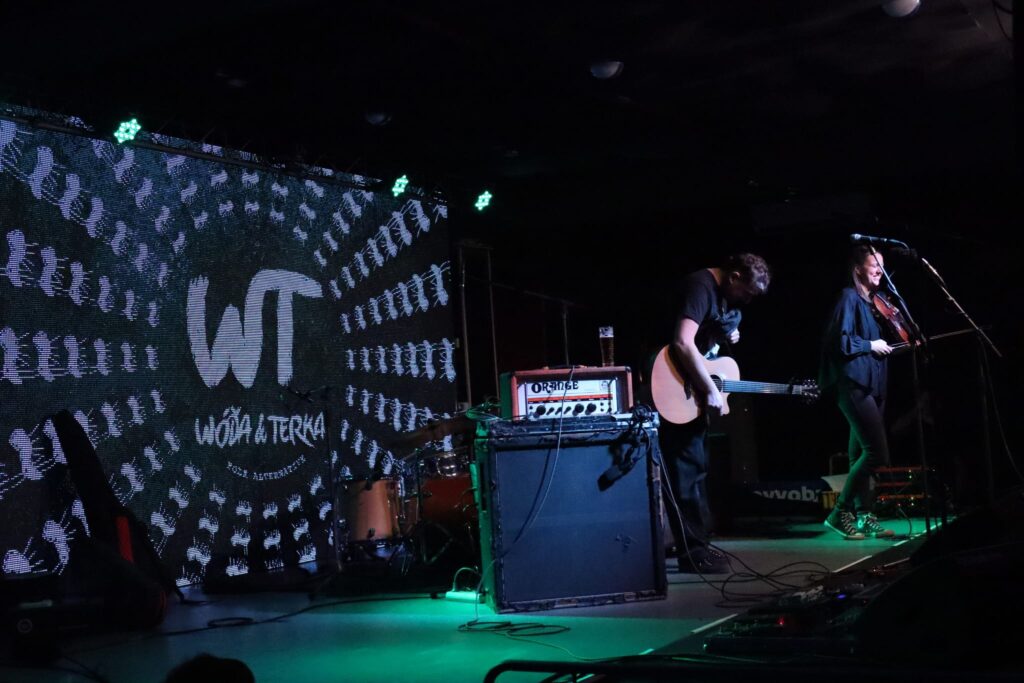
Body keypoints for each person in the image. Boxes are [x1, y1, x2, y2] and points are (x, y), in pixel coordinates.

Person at [658, 253, 771, 573]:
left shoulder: (721, 298)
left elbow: (702, 340)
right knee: (685, 469)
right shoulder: (700, 286)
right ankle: (693, 553)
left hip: (690, 388)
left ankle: (697, 545)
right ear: (733, 276)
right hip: (674, 385)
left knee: (695, 467)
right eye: (746, 292)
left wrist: (725, 334)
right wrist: (709, 388)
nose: (747, 300)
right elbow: (682, 341)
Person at [820, 245, 897, 540]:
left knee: (859, 455)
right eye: (873, 263)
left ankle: (865, 515)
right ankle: (839, 513)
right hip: (852, 383)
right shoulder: (848, 297)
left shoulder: (871, 304)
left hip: (871, 383)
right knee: (877, 452)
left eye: (882, 264)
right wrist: (870, 345)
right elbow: (837, 342)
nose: (880, 269)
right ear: (857, 269)